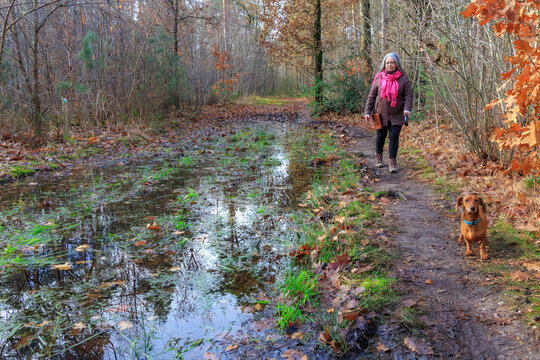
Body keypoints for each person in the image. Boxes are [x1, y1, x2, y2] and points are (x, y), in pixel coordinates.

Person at [365, 52, 413, 173]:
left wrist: (407, 109)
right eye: (387, 63)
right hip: (379, 114)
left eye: (392, 62)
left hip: (396, 114)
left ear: (397, 64)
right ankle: (379, 157)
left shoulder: (403, 78)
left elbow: (408, 95)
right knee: (380, 136)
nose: (390, 65)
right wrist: (367, 112)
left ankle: (392, 162)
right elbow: (371, 96)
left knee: (394, 137)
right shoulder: (379, 77)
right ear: (384, 64)